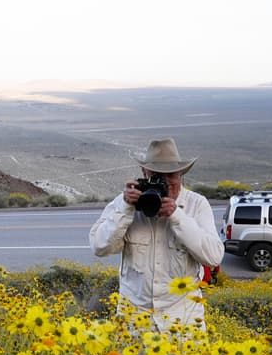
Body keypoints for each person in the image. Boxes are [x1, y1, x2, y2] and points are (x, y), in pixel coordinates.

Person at [89, 138, 225, 332]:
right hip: (134, 319)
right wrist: (126, 208)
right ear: (144, 174)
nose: (165, 182)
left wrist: (177, 216)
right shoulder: (125, 203)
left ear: (181, 175)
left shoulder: (197, 204)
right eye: (157, 176)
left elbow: (213, 256)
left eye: (171, 176)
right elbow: (99, 247)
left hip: (183, 320)